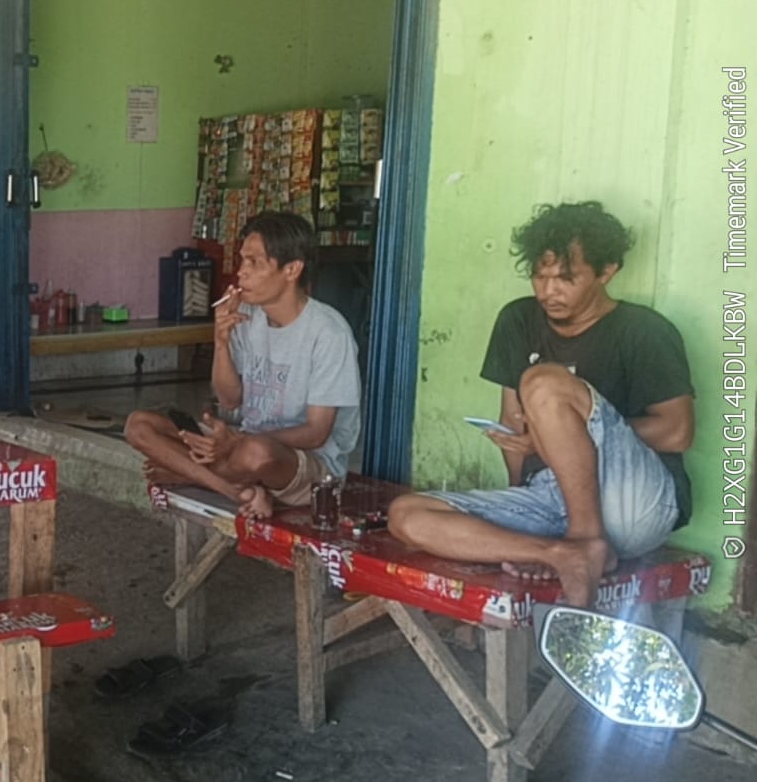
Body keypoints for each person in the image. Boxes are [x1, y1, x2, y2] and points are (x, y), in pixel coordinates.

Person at [388, 202, 694, 608]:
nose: (549, 292)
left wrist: (559, 436)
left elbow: (677, 431)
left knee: (542, 382)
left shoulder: (644, 330)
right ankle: (559, 553)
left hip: (633, 501)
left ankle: (587, 541)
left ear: (606, 272)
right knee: (406, 515)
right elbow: (512, 423)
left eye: (566, 279)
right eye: (540, 276)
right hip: (551, 500)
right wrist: (520, 508)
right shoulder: (518, 320)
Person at [125, 212, 362, 518]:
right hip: (240, 444)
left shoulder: (329, 332)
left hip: (303, 463)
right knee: (140, 425)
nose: (241, 273)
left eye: (254, 263)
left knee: (255, 453)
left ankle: (189, 473)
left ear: (292, 269)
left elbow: (316, 433)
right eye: (241, 261)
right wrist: (220, 340)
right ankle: (237, 491)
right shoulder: (248, 317)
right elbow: (229, 400)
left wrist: (236, 441)